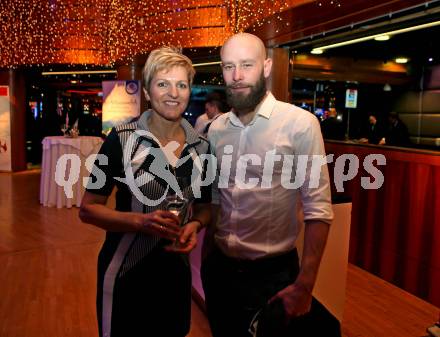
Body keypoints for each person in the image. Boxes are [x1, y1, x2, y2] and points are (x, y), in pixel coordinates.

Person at [202, 33, 340, 337]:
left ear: (265, 67)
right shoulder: (216, 129)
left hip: (273, 277)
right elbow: (215, 196)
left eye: (246, 65)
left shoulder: (300, 124)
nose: (236, 77)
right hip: (221, 273)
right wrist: (207, 260)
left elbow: (319, 210)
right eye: (228, 67)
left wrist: (305, 286)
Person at [79, 47, 212, 337]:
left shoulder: (202, 146)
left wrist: (195, 224)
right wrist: (141, 222)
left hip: (175, 277)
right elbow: (88, 208)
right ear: (148, 92)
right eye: (163, 83)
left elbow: (204, 207)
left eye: (182, 84)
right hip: (126, 272)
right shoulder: (121, 138)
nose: (173, 93)